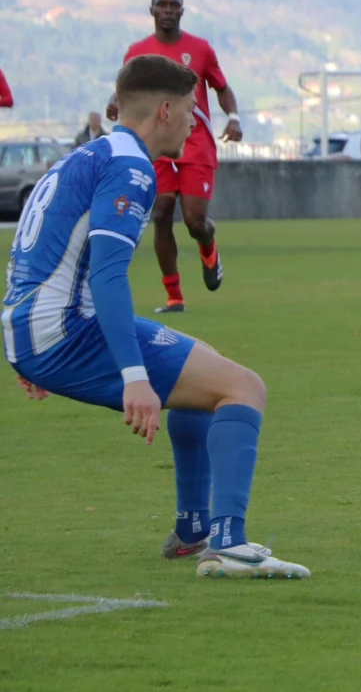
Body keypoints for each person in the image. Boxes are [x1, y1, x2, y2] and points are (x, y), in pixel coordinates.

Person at [5, 55, 308, 578]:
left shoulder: (89, 155)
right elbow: (106, 277)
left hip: (36, 328)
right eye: (191, 109)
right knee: (245, 388)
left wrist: (22, 346)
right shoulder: (131, 167)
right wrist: (134, 377)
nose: (195, 123)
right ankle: (228, 545)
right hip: (65, 330)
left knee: (209, 376)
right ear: (165, 111)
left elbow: (33, 255)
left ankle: (194, 529)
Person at [107, 0, 242, 313]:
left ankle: (208, 249)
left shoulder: (200, 50)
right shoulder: (138, 52)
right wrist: (114, 102)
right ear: (151, 10)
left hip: (195, 142)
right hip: (156, 145)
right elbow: (123, 90)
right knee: (162, 214)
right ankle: (174, 296)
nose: (168, 10)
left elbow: (222, 88)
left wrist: (234, 117)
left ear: (182, 11)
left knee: (195, 221)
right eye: (162, 5)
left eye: (173, 5)